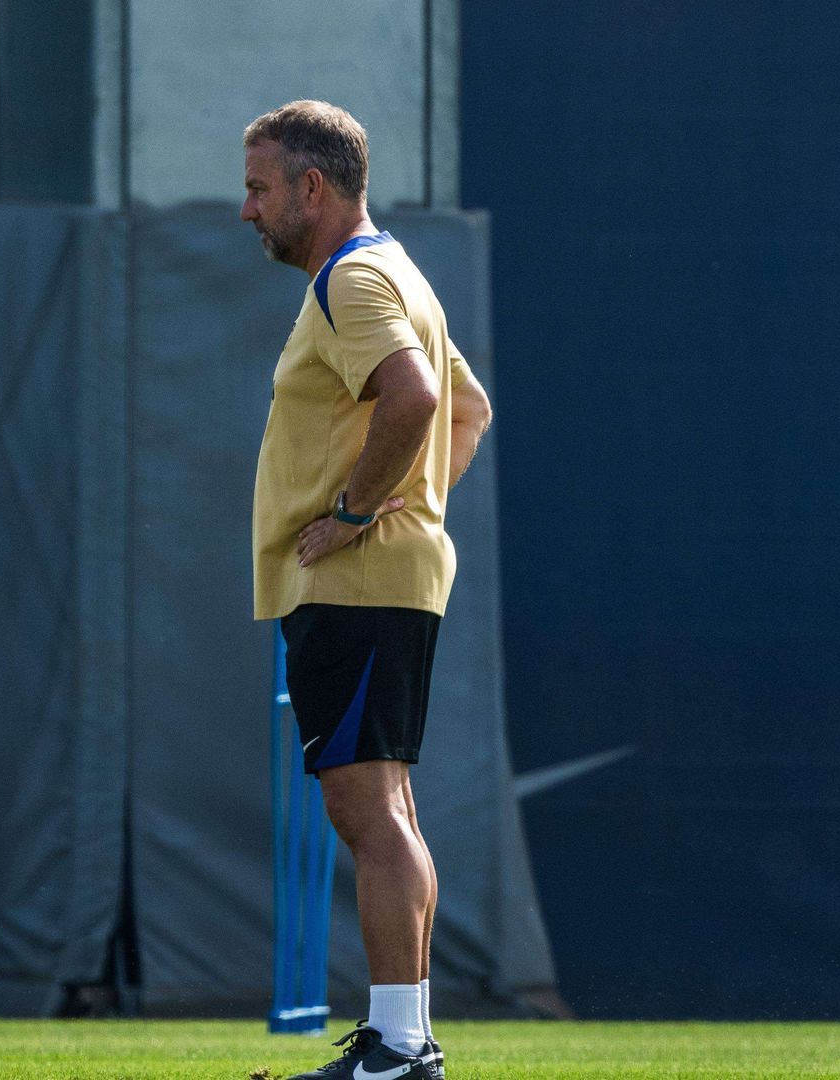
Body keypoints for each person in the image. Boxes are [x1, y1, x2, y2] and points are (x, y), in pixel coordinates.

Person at [241, 101, 493, 1080]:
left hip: (355, 584)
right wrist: (414, 503)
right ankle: (405, 1038)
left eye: (260, 188)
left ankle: (395, 1047)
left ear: (313, 187)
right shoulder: (398, 273)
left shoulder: (354, 279)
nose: (248, 209)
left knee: (369, 815)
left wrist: (355, 514)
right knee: (388, 809)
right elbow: (468, 410)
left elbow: (424, 402)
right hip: (388, 577)